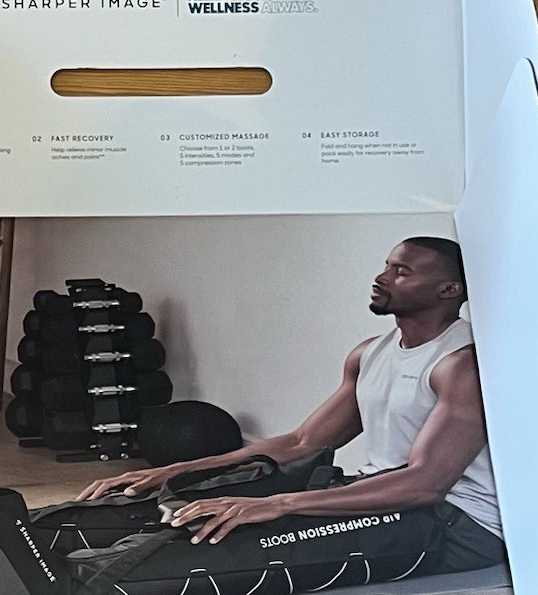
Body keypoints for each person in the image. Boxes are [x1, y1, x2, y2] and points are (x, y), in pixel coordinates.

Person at [77, 237, 503, 572]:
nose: (381, 277)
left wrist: (279, 503)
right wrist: (175, 471)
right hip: (384, 496)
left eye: (401, 272)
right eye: (387, 265)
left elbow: (425, 484)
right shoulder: (371, 352)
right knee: (187, 506)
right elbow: (303, 443)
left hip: (458, 523)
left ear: (449, 289)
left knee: (231, 542)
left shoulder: (461, 363)